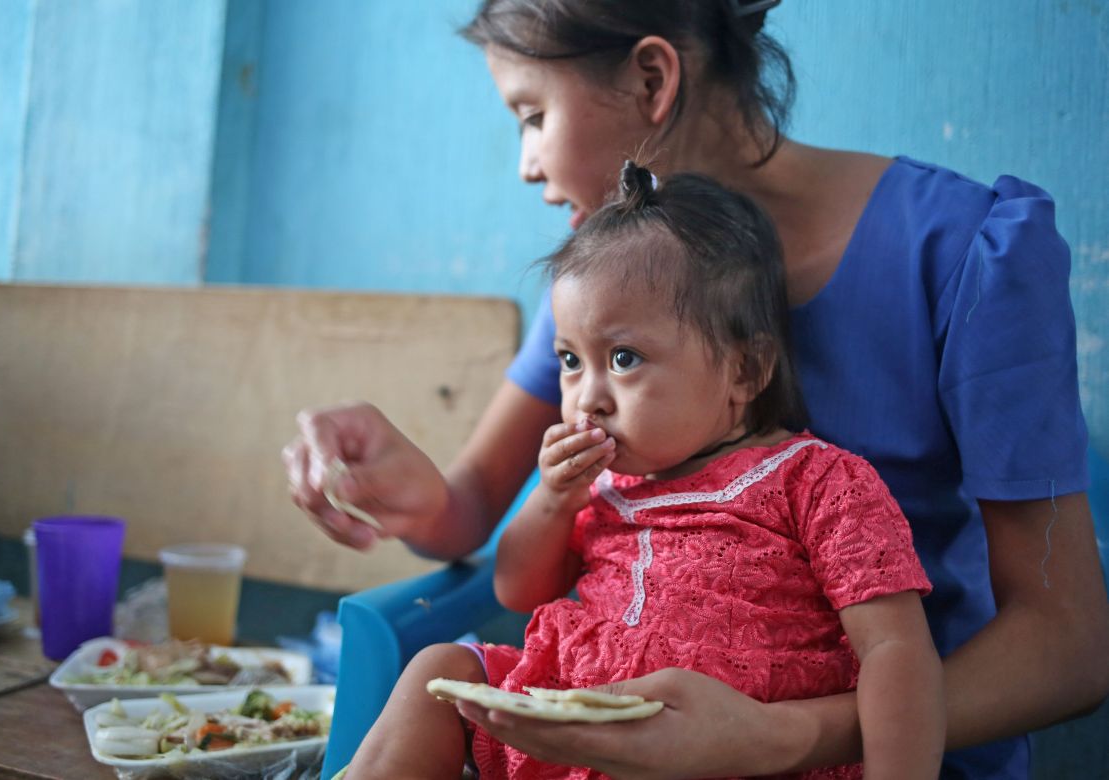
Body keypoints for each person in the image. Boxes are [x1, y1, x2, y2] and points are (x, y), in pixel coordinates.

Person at [284, 1, 1109, 776]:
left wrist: (782, 735)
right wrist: (402, 488)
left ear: (653, 79)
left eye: (533, 115)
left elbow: (1069, 645)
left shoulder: (966, 253)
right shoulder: (610, 291)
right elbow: (480, 520)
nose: (526, 164)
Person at [341, 163, 945, 780]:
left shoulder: (818, 482)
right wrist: (553, 502)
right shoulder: (607, 485)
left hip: (725, 757)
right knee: (440, 674)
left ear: (745, 371)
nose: (587, 398)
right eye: (571, 360)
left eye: (624, 358)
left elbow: (894, 651)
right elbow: (518, 592)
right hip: (575, 735)